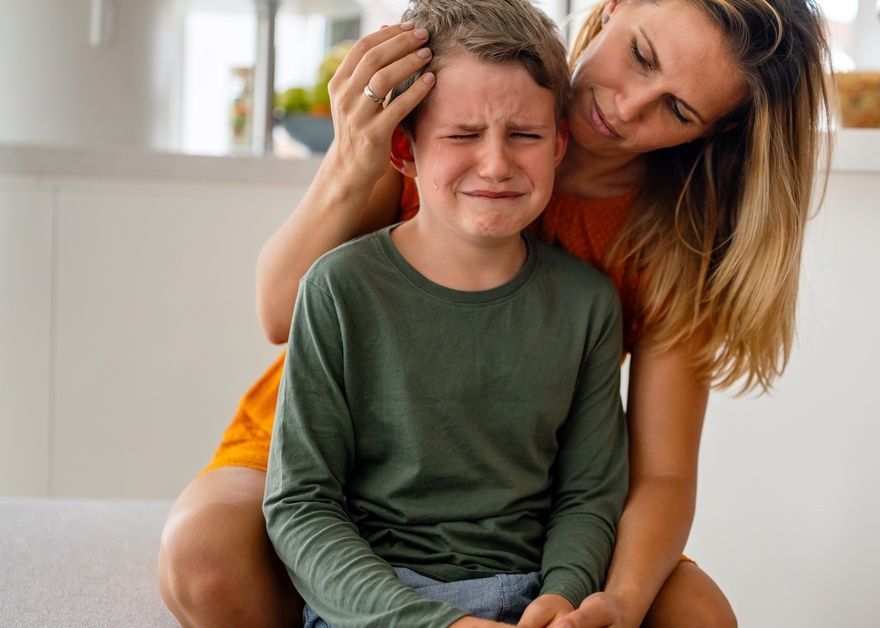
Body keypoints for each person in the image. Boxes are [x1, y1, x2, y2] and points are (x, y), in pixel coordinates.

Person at [157, 0, 833, 626]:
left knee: (698, 616)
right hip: (330, 451)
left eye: (677, 110)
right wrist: (351, 159)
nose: (628, 106)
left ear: (716, 130)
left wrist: (615, 602)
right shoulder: (444, 106)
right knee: (204, 559)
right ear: (619, 6)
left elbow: (660, 474)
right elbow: (281, 312)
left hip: (518, 491)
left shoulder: (674, 237)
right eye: (642, 55)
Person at [262, 1, 628, 626]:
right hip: (380, 603)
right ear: (403, 150)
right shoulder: (337, 287)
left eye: (525, 135)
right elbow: (300, 504)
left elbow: (588, 495)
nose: (495, 163)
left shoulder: (588, 304)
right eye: (462, 135)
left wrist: (563, 598)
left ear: (559, 145)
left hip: (533, 596)